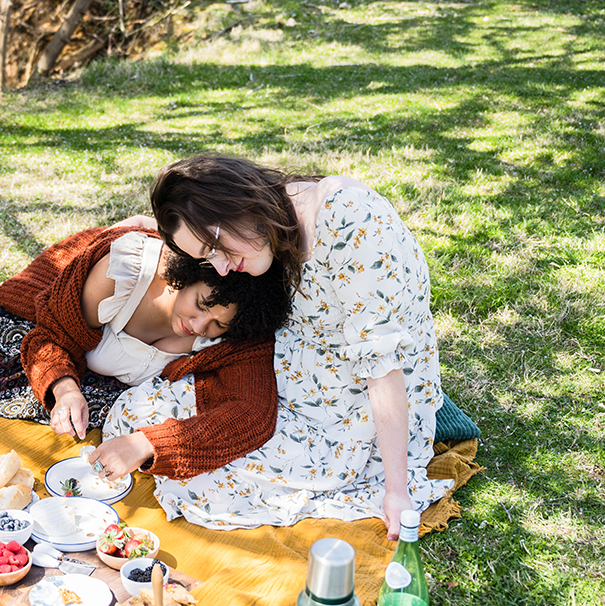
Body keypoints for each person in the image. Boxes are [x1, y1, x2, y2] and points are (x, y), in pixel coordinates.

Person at [92, 154, 453, 539]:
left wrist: (396, 491)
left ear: (237, 201)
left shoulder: (348, 218)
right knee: (139, 413)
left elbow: (383, 366)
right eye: (206, 257)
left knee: (206, 479)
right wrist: (145, 228)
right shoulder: (270, 219)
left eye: (214, 246)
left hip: (350, 410)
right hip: (285, 376)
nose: (223, 268)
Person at [0, 225, 292, 471]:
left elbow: (251, 414)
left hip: (100, 379)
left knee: (113, 413)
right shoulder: (124, 270)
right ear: (187, 271)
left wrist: (147, 444)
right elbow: (48, 336)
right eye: (199, 305)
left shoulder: (236, 334)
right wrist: (63, 388)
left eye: (215, 325)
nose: (197, 325)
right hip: (41, 324)